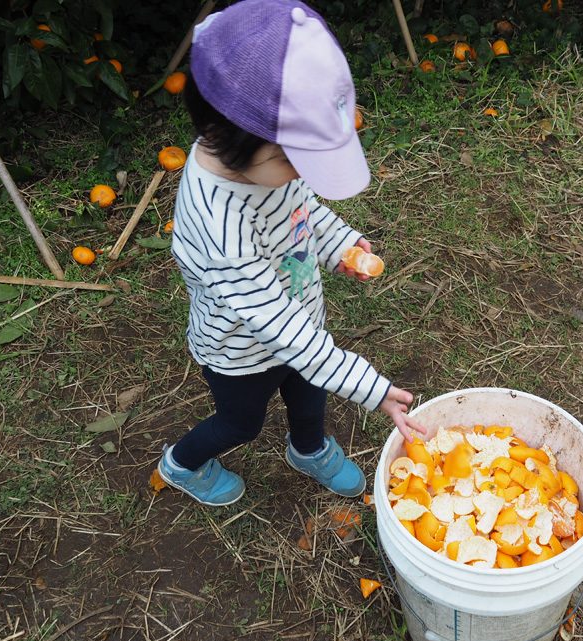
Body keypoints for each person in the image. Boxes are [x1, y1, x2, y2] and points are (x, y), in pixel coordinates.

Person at [157, 0, 427, 507]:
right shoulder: (220, 224)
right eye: (293, 159)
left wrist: (339, 245)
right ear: (225, 135)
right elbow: (276, 326)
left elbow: (303, 211)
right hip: (241, 350)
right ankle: (181, 463)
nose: (301, 173)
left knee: (309, 395)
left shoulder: (266, 170)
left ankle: (308, 448)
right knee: (242, 421)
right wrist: (372, 388)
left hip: (302, 324)